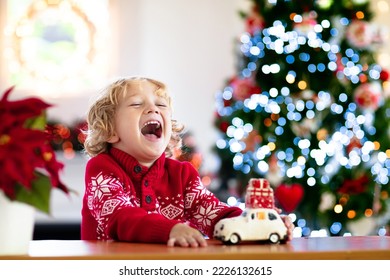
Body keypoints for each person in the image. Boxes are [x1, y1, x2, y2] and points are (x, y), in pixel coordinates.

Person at [81, 76, 294, 247]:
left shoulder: (182, 174)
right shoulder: (102, 168)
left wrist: (257, 222)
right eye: (136, 104)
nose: (153, 109)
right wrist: (170, 229)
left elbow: (212, 213)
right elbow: (120, 217)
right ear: (110, 130)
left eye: (161, 105)